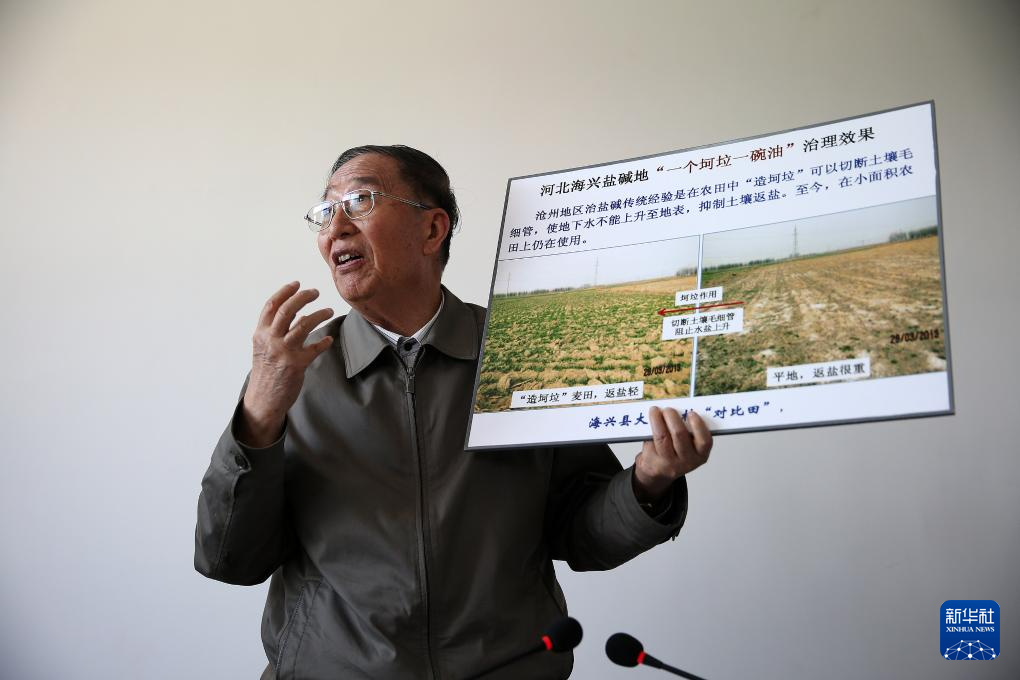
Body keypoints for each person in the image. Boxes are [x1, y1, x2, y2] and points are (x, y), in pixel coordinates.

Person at [195, 145, 712, 680]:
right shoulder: (292, 372)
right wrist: (259, 416)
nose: (337, 227)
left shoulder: (522, 355)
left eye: (361, 200)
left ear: (432, 229)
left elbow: (581, 534)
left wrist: (649, 481)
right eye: (326, 211)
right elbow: (230, 559)